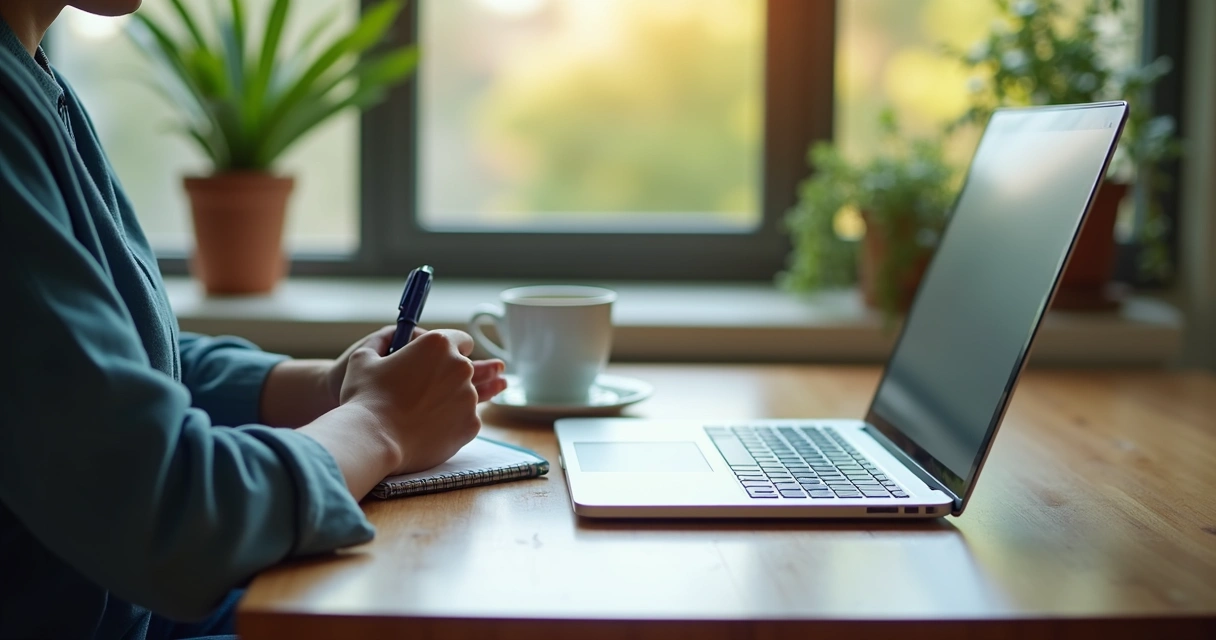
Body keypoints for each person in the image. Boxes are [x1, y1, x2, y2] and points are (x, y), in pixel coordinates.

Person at [0, 1, 508, 638]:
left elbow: (104, 367)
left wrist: (332, 386)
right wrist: (380, 425)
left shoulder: (36, 81)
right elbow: (166, 516)